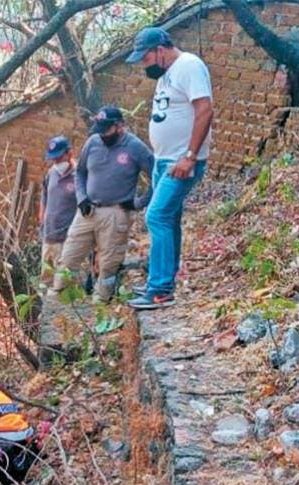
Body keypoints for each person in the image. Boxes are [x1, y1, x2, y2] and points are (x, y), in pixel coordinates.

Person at [125, 27, 214, 310]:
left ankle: (161, 289)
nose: (144, 64)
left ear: (160, 50)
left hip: (182, 161)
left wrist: (190, 156)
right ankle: (162, 281)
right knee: (169, 218)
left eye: (146, 57)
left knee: (157, 216)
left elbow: (205, 110)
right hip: (165, 161)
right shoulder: (166, 74)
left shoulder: (189, 66)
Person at [51, 105, 154, 302]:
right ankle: (58, 299)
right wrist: (81, 198)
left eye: (106, 130)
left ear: (120, 126)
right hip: (88, 211)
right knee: (68, 257)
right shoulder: (93, 142)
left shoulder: (135, 147)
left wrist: (139, 202)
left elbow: (157, 177)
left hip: (116, 213)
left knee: (108, 264)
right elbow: (80, 173)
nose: (102, 135)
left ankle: (102, 303)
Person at [39, 136, 78, 275]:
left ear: (70, 154)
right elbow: (44, 196)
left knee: (64, 281)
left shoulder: (79, 176)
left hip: (68, 238)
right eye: (53, 159)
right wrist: (42, 219)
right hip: (49, 235)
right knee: (46, 278)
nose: (56, 162)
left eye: (59, 158)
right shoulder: (51, 173)